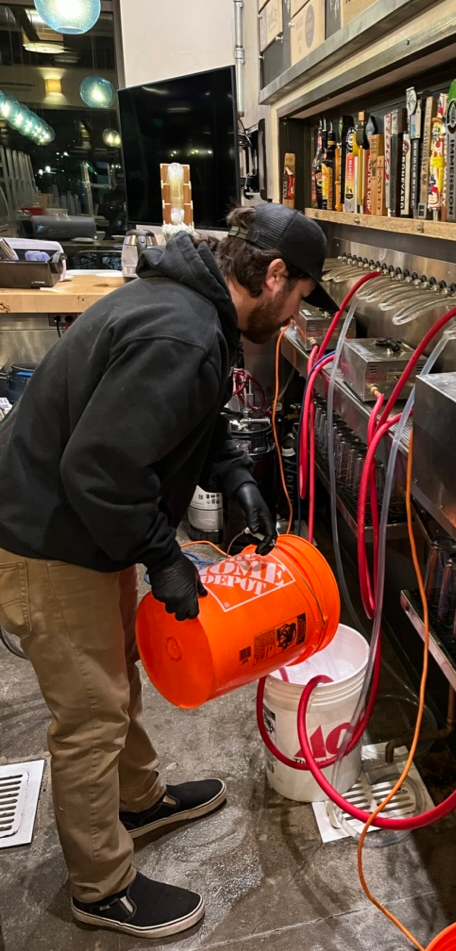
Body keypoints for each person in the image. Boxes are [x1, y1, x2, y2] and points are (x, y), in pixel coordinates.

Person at [0, 203, 335, 939]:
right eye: (300, 299)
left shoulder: (189, 307)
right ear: (275, 275)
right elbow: (99, 470)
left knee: (115, 673)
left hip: (81, 531)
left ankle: (139, 799)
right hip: (51, 538)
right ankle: (101, 886)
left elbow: (190, 416)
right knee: (89, 713)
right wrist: (165, 557)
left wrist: (236, 476)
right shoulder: (182, 331)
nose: (291, 320)